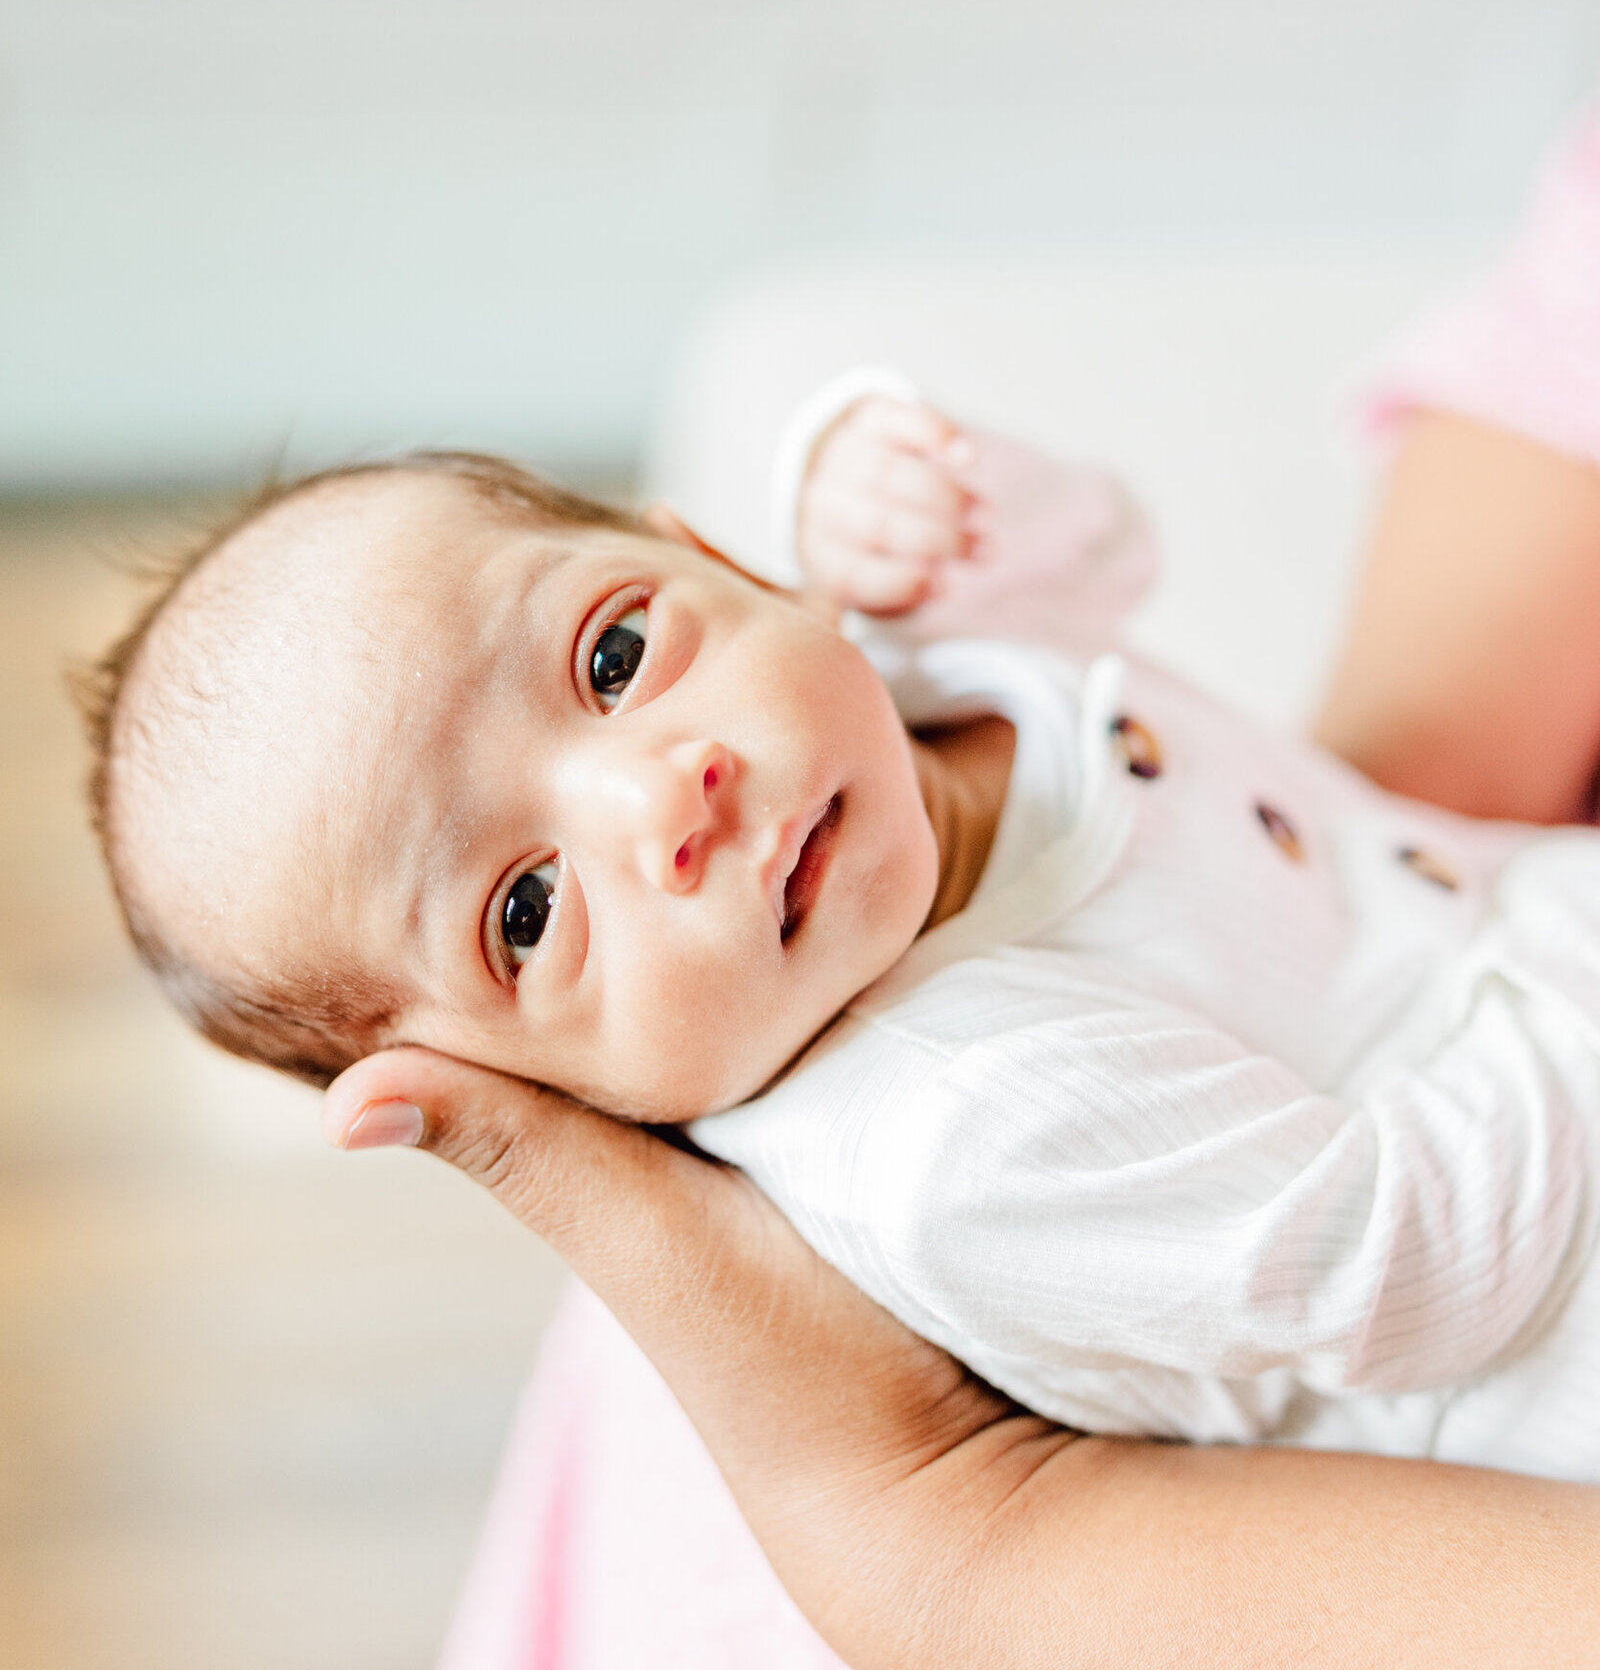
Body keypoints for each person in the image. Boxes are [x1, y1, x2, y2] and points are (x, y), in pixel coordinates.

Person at [81, 377, 1600, 1479]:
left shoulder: (914, 682)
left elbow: (1107, 559)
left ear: (721, 561)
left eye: (614, 654)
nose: (659, 801)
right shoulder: (959, 1128)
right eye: (527, 910)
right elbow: (1407, 1261)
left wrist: (948, 492)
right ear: (533, 1096)